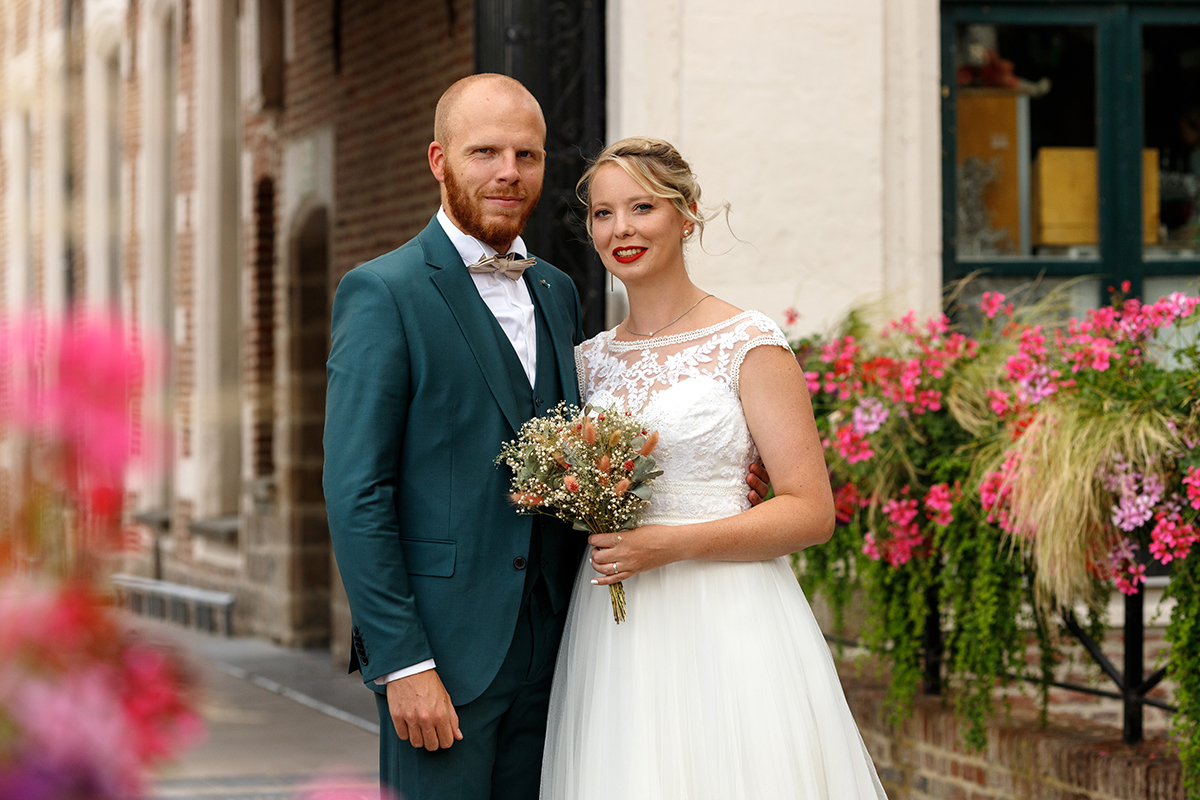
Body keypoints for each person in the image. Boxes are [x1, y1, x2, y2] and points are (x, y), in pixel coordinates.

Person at [323, 78, 768, 800]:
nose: (508, 172)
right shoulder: (384, 292)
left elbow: (599, 445)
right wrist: (401, 663)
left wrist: (722, 478)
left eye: (526, 154)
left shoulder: (557, 290)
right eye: (485, 152)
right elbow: (355, 491)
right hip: (444, 659)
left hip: (570, 651)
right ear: (439, 160)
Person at [540, 137, 890, 799]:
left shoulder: (747, 343)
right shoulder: (586, 362)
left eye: (642, 207)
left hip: (731, 621)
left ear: (687, 214)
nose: (622, 230)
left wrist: (668, 545)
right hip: (617, 636)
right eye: (603, 214)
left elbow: (812, 513)